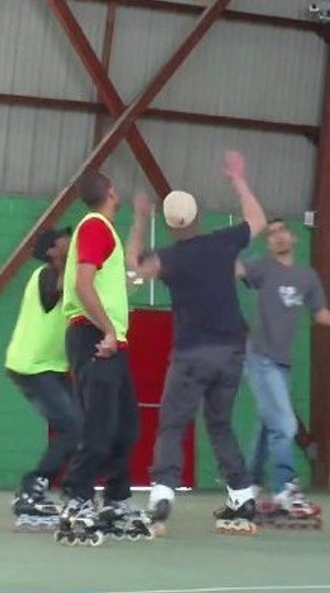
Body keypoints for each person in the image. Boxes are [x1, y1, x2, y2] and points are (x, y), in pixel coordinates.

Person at [128, 150, 266, 534]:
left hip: (191, 355)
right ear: (198, 218)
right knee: (220, 423)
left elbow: (135, 266)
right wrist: (238, 178)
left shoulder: (170, 258)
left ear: (171, 226)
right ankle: (240, 495)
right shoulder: (223, 243)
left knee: (173, 423)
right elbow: (258, 220)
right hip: (231, 352)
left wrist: (140, 218)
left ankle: (162, 496)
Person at [236, 219, 330, 526]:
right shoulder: (262, 269)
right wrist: (228, 244)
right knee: (285, 424)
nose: (277, 236)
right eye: (271, 234)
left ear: (293, 238)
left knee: (270, 426)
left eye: (282, 230)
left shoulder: (307, 277)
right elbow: (237, 269)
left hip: (282, 362)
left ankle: (249, 486)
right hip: (259, 358)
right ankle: (284, 488)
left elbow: (320, 314)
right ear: (268, 244)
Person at [56, 171, 150, 545]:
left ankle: (116, 499)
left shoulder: (105, 231)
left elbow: (123, 271)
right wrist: (108, 330)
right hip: (96, 337)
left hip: (114, 342)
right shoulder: (94, 226)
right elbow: (82, 284)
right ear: (110, 190)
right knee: (99, 428)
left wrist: (142, 221)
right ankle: (77, 499)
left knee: (126, 427)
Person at [5, 227, 82, 530]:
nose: (70, 240)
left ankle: (75, 492)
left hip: (50, 367)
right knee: (72, 427)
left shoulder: (67, 276)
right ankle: (31, 490)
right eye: (65, 239)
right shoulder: (46, 275)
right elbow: (61, 288)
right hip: (32, 367)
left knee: (83, 426)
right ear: (52, 251)